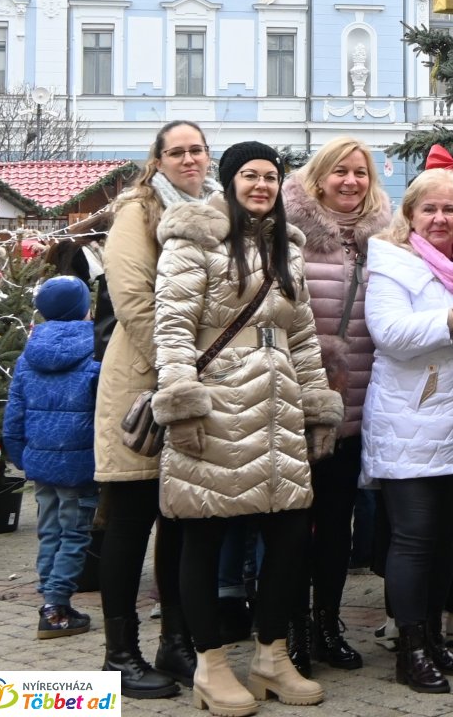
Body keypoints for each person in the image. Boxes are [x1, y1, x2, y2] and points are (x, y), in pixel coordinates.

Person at [151, 141, 341, 714]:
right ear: (229, 180)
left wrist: (316, 405)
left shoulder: (288, 247)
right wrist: (181, 401)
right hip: (217, 406)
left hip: (279, 408)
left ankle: (271, 656)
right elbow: (174, 324)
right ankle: (209, 664)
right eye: (250, 175)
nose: (261, 185)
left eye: (271, 176)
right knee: (204, 534)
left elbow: (303, 337)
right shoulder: (194, 238)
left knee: (287, 536)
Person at [93, 120, 213, 697]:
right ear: (158, 158)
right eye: (177, 151)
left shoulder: (216, 207)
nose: (189, 159)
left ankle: (176, 642)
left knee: (183, 523)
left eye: (197, 149)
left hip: (194, 385)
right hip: (143, 383)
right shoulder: (138, 210)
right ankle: (119, 654)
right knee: (132, 519)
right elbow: (134, 299)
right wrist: (177, 368)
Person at [363, 166, 453, 695]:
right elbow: (389, 333)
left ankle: (436, 636)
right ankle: (410, 648)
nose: (440, 218)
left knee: (445, 540)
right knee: (414, 539)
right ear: (410, 214)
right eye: (430, 209)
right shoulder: (393, 262)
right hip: (410, 422)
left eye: (451, 209)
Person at [282, 136, 393, 675]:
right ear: (318, 177)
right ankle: (291, 627)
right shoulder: (291, 235)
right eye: (340, 172)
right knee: (292, 525)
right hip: (298, 403)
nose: (351, 182)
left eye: (361, 173)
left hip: (357, 402)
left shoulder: (384, 240)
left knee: (338, 522)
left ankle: (328, 621)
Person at [4, 275, 101, 640]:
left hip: (42, 463)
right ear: (82, 308)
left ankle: (50, 597)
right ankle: (56, 608)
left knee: (49, 533)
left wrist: (22, 457)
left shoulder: (30, 354)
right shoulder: (94, 350)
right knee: (74, 535)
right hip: (80, 464)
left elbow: (14, 413)